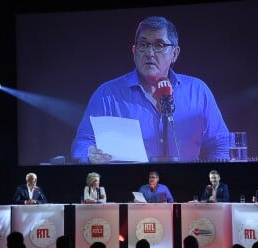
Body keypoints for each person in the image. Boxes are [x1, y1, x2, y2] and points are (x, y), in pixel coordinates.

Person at [71, 15, 229, 164]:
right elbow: (82, 144)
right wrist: (89, 154)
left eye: (159, 45)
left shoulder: (198, 92)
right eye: (143, 44)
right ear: (134, 51)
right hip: (127, 188)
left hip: (188, 186)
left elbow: (220, 144)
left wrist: (211, 183)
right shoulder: (108, 94)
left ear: (175, 53)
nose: (149, 53)